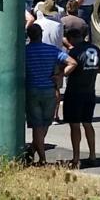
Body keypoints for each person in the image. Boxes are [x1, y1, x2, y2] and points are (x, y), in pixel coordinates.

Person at [24, 23, 77, 165]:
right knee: (45, 123)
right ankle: (36, 151)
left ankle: (41, 157)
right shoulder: (52, 50)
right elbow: (72, 63)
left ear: (29, 36)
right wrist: (60, 75)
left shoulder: (24, 51)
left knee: (36, 125)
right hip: (49, 90)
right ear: (41, 34)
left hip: (32, 90)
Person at [64, 26, 100, 168]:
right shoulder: (95, 49)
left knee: (75, 125)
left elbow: (68, 69)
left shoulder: (75, 51)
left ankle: (76, 158)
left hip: (75, 92)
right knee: (87, 123)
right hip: (90, 91)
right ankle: (92, 155)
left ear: (72, 39)